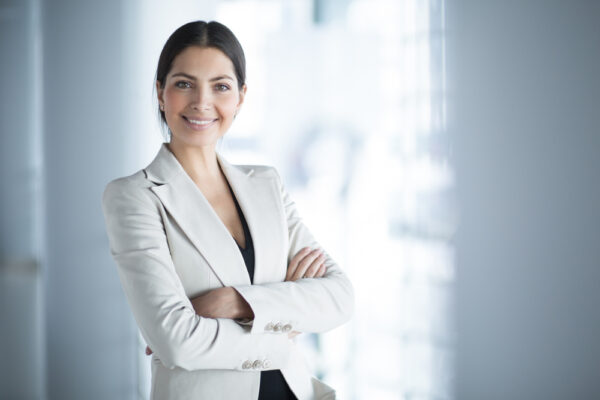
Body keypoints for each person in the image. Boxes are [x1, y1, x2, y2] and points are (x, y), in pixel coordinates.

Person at [102, 20, 354, 400]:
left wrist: (236, 302)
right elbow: (178, 342)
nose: (202, 102)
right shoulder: (134, 197)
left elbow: (339, 297)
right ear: (160, 92)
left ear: (240, 96)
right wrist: (282, 323)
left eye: (220, 86)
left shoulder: (266, 184)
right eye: (184, 83)